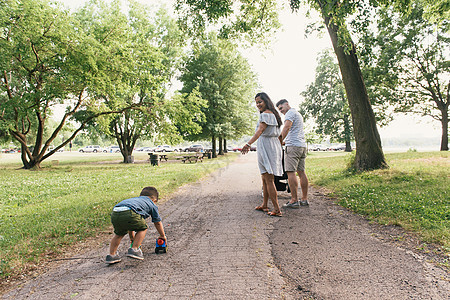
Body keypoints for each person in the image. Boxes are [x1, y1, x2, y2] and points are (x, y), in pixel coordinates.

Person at [241, 92, 283, 217]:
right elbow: (279, 135)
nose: (258, 104)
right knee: (264, 178)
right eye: (256, 103)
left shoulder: (266, 115)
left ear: (266, 101)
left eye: (260, 102)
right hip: (272, 145)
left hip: (267, 146)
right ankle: (265, 204)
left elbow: (260, 131)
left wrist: (248, 144)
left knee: (269, 179)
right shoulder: (274, 114)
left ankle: (277, 209)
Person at [105, 186, 166, 264]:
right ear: (154, 200)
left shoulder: (135, 200)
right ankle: (135, 249)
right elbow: (157, 222)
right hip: (130, 212)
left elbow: (130, 225)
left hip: (116, 212)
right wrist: (162, 235)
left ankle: (111, 255)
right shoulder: (151, 203)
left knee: (119, 234)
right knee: (143, 228)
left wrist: (132, 238)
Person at [276, 99, 309, 208]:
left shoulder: (290, 113)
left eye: (281, 108)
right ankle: (304, 199)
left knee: (290, 172)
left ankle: (294, 200)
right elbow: (294, 132)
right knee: (301, 172)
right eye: (279, 109)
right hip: (301, 146)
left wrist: (279, 140)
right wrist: (286, 141)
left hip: (293, 147)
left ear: (287, 104)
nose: (281, 111)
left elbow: (287, 127)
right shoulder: (297, 114)